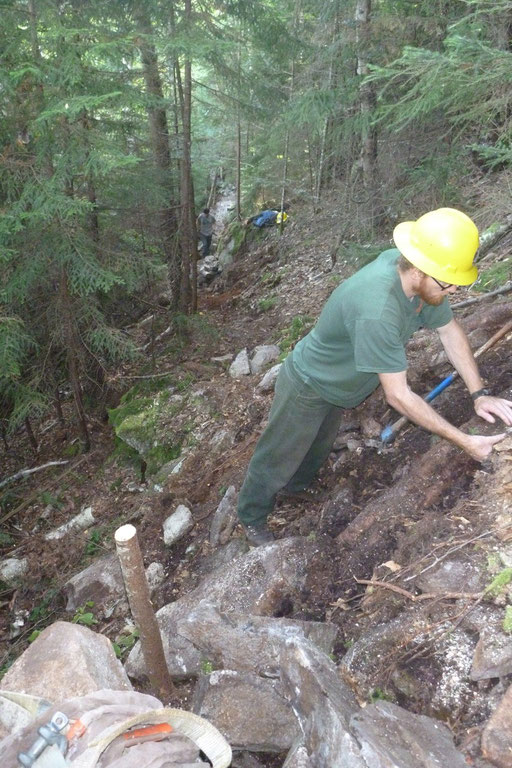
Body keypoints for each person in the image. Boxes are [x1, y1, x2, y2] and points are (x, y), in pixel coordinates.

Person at [237, 208, 512, 546]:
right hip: (309, 384)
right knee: (279, 455)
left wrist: (479, 393)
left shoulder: (422, 279)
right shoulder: (378, 309)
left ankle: (296, 488)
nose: (454, 289)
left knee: (316, 447)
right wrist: (465, 441)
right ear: (420, 268)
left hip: (339, 388)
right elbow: (398, 396)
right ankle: (251, 517)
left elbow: (449, 330)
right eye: (448, 281)